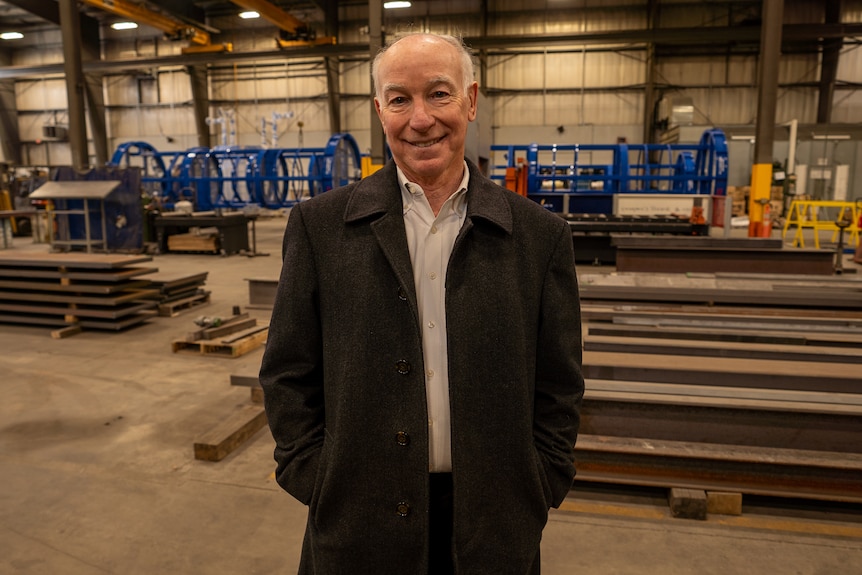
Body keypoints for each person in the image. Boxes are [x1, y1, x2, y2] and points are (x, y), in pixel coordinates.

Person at [259, 32, 584, 575]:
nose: (421, 119)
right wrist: (315, 476)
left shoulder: (538, 237)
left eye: (439, 94)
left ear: (471, 100)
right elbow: (287, 370)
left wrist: (541, 481)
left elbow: (559, 382)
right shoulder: (320, 228)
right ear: (380, 110)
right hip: (356, 521)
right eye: (400, 99)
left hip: (494, 524)